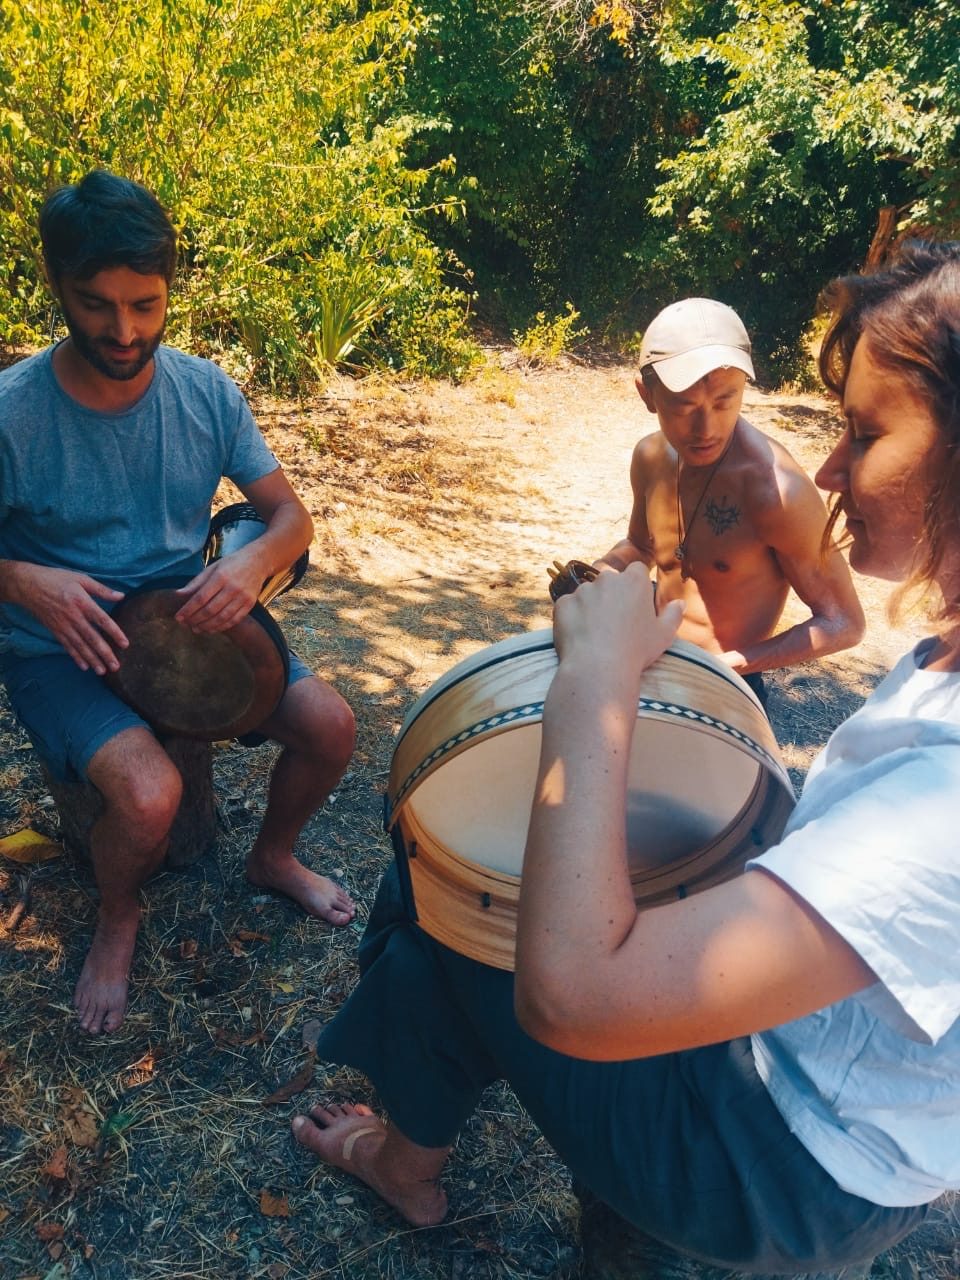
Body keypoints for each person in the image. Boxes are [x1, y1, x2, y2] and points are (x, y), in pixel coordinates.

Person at [292, 242, 960, 1273]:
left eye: (865, 434)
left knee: (443, 894)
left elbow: (576, 996)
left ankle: (405, 1162)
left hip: (775, 1171)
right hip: (826, 1119)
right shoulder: (942, 663)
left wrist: (592, 683)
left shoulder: (944, 795)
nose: (830, 467)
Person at [0, 171, 357, 1036]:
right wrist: (21, 579)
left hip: (186, 627)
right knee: (152, 796)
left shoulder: (205, 393)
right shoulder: (12, 411)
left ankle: (272, 858)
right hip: (63, 649)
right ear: (58, 289)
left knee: (333, 728)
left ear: (170, 291)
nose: (124, 331)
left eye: (145, 303)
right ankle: (117, 914)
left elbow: (290, 517)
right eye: (96, 304)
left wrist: (255, 563)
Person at [588, 296, 865, 702]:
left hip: (726, 685)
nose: (707, 428)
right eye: (685, 407)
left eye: (725, 401)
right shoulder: (649, 457)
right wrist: (596, 575)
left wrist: (729, 666)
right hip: (649, 666)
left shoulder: (775, 491)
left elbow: (843, 622)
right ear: (647, 395)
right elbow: (641, 546)